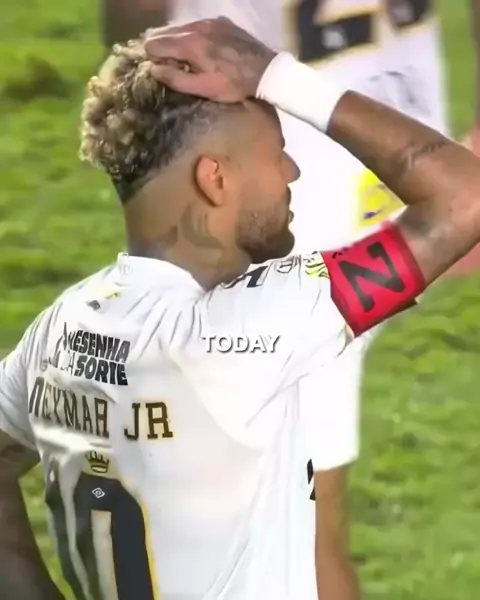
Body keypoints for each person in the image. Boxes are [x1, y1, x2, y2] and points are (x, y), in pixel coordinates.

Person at [3, 17, 480, 600]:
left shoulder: (61, 327)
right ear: (216, 179)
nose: (292, 172)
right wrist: (274, 75)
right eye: (277, 153)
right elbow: (464, 198)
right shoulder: (251, 329)